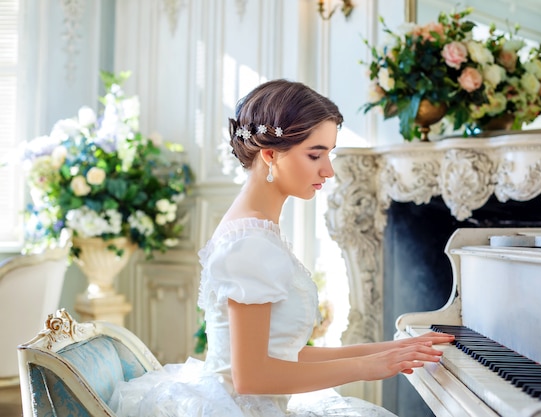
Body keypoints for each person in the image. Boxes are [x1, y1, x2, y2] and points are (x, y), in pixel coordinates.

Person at [109, 79, 454, 416]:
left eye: (329, 154)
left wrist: (389, 350)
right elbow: (251, 377)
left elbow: (285, 354)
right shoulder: (249, 243)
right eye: (315, 154)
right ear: (270, 154)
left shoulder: (257, 230)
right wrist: (366, 367)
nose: (328, 170)